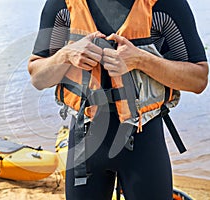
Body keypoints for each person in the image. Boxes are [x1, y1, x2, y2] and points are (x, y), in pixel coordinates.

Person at [28, 0, 208, 199]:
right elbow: (38, 77)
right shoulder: (62, 5)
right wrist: (65, 55)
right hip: (85, 147)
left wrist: (140, 60)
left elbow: (198, 80)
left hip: (144, 143)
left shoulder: (165, 5)